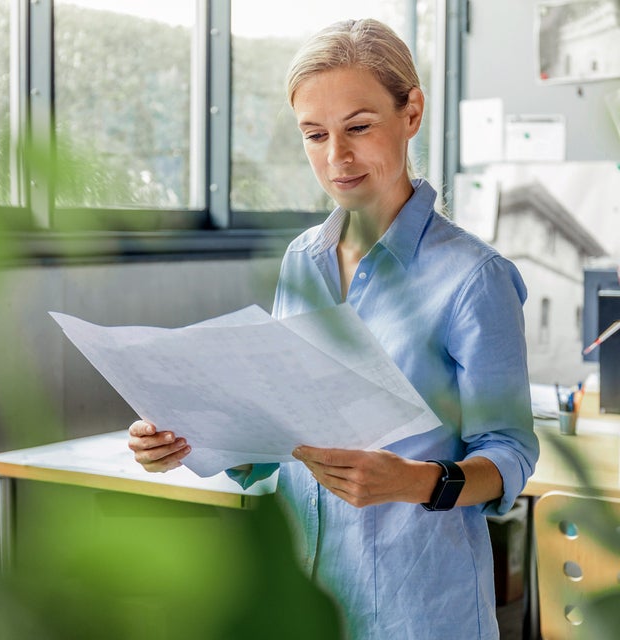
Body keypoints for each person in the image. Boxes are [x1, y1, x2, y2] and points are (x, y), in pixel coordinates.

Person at [129, 18, 539, 639]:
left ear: (413, 113)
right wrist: (187, 436)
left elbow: (510, 453)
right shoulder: (302, 260)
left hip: (418, 612)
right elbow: (277, 428)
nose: (335, 158)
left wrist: (416, 481)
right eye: (314, 135)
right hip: (307, 601)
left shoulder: (474, 278)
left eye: (358, 127)